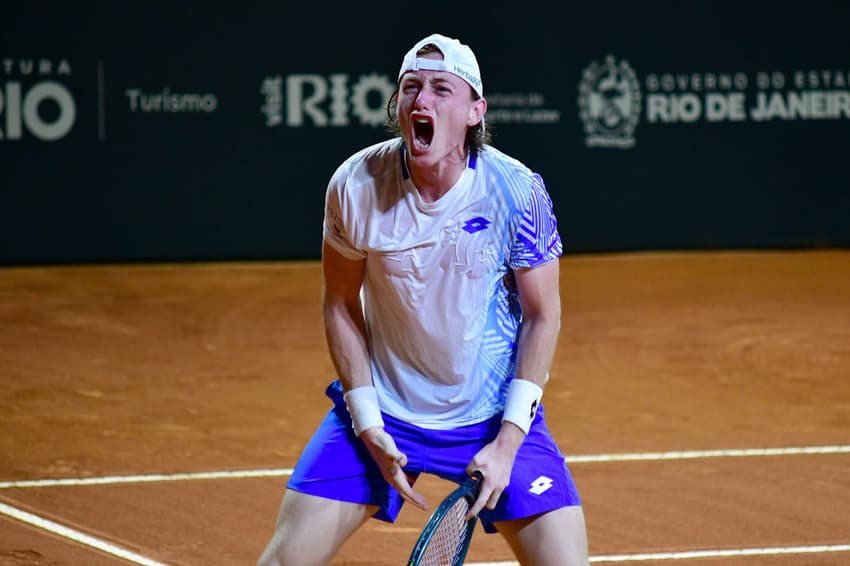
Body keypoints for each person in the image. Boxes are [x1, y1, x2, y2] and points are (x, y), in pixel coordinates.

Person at [258, 33, 589, 566]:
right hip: (387, 409)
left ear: (475, 112)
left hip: (488, 413)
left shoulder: (516, 192)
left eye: (440, 88)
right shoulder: (356, 185)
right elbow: (340, 302)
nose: (421, 99)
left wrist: (507, 443)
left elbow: (542, 315)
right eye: (410, 87)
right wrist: (367, 421)